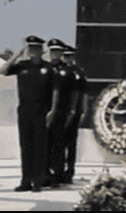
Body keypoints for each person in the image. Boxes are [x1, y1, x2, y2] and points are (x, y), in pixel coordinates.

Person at [0, 35, 60, 192]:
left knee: (40, 146)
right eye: (30, 48)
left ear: (41, 51)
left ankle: (38, 181)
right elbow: (2, 71)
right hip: (25, 110)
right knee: (26, 146)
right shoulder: (21, 65)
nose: (33, 51)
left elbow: (55, 90)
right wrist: (16, 56)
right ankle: (26, 180)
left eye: (36, 49)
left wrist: (53, 110)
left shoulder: (49, 68)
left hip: (42, 110)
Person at [43, 38, 77, 188]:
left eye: (57, 51)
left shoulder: (68, 71)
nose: (54, 54)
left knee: (59, 144)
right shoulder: (46, 68)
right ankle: (45, 173)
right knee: (44, 143)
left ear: (62, 53)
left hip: (61, 111)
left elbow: (74, 93)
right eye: (52, 51)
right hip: (44, 109)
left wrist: (72, 111)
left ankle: (57, 174)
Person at [62, 44, 87, 185]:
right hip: (61, 111)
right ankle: (58, 170)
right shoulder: (59, 70)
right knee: (59, 142)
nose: (68, 59)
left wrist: (83, 110)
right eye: (66, 56)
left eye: (70, 56)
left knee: (71, 143)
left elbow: (83, 93)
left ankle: (69, 171)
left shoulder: (78, 72)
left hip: (74, 112)